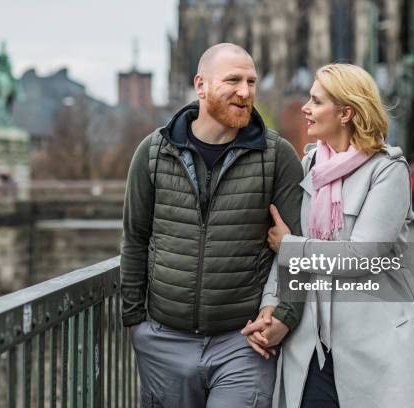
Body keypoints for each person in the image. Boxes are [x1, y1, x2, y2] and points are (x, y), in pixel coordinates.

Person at [120, 43, 304, 407]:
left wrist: (286, 314)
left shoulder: (277, 156)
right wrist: (135, 322)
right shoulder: (154, 152)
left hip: (243, 344)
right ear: (200, 86)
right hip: (164, 342)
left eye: (251, 81)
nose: (245, 91)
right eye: (233, 80)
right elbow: (135, 239)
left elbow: (299, 249)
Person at [242, 64, 414, 408]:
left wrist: (290, 247)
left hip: (373, 346)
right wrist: (270, 307)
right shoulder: (310, 167)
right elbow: (283, 259)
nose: (305, 108)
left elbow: (361, 256)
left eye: (316, 101)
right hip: (312, 348)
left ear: (346, 113)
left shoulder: (387, 171)